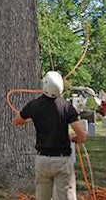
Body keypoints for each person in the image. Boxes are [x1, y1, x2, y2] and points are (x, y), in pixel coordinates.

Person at [13, 71, 87, 200]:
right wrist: (73, 139)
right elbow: (82, 135)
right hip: (62, 160)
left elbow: (17, 121)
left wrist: (31, 117)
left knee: (42, 197)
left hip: (43, 161)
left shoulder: (34, 106)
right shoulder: (67, 107)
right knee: (66, 197)